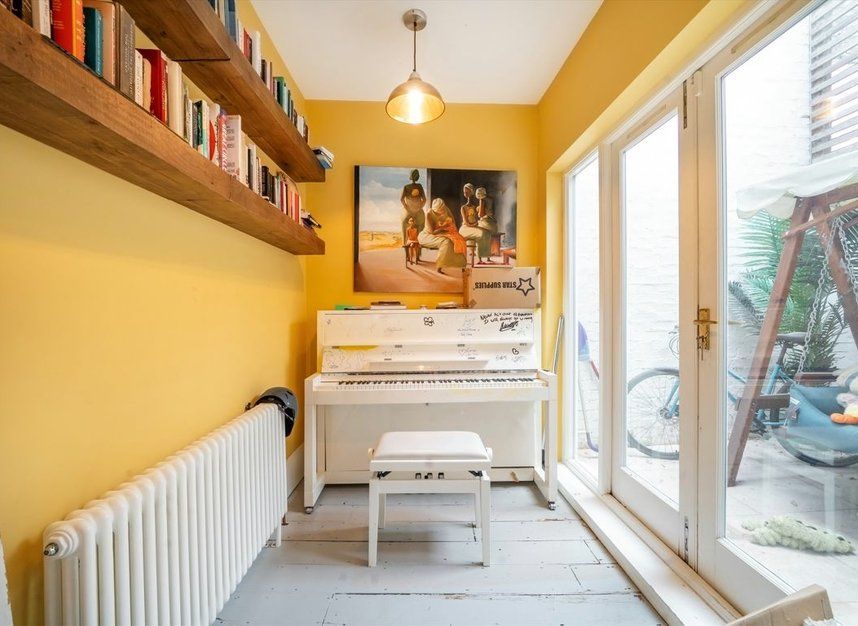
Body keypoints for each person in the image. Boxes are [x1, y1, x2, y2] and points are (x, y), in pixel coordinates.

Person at [418, 198, 467, 273]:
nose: (442, 212)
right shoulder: (429, 214)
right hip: (428, 235)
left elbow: (453, 222)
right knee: (446, 242)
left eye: (442, 210)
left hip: (443, 232)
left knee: (459, 240)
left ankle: (461, 265)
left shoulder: (446, 209)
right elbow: (432, 232)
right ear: (435, 210)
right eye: (439, 212)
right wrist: (443, 228)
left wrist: (451, 228)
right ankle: (440, 266)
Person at [459, 182, 489, 263]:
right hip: (465, 229)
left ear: (472, 193)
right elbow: (466, 222)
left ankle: (484, 256)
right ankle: (480, 257)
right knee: (481, 233)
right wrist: (475, 224)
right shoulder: (463, 207)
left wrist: (476, 223)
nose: (465, 194)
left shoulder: (475, 207)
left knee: (486, 232)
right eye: (464, 192)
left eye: (467, 192)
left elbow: (478, 217)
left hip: (473, 227)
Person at [400, 169, 426, 245]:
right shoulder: (419, 186)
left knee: (404, 224)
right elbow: (424, 200)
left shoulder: (406, 187)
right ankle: (420, 242)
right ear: (418, 177)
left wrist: (407, 208)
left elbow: (401, 199)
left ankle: (404, 243)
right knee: (421, 223)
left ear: (410, 177)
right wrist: (419, 208)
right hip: (418, 210)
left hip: (408, 210)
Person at [475, 187, 497, 261]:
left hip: (486, 223)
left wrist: (478, 210)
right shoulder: (491, 199)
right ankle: (488, 257)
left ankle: (480, 258)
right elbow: (492, 213)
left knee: (478, 235)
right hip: (493, 225)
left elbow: (481, 215)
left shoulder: (482, 200)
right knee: (487, 237)